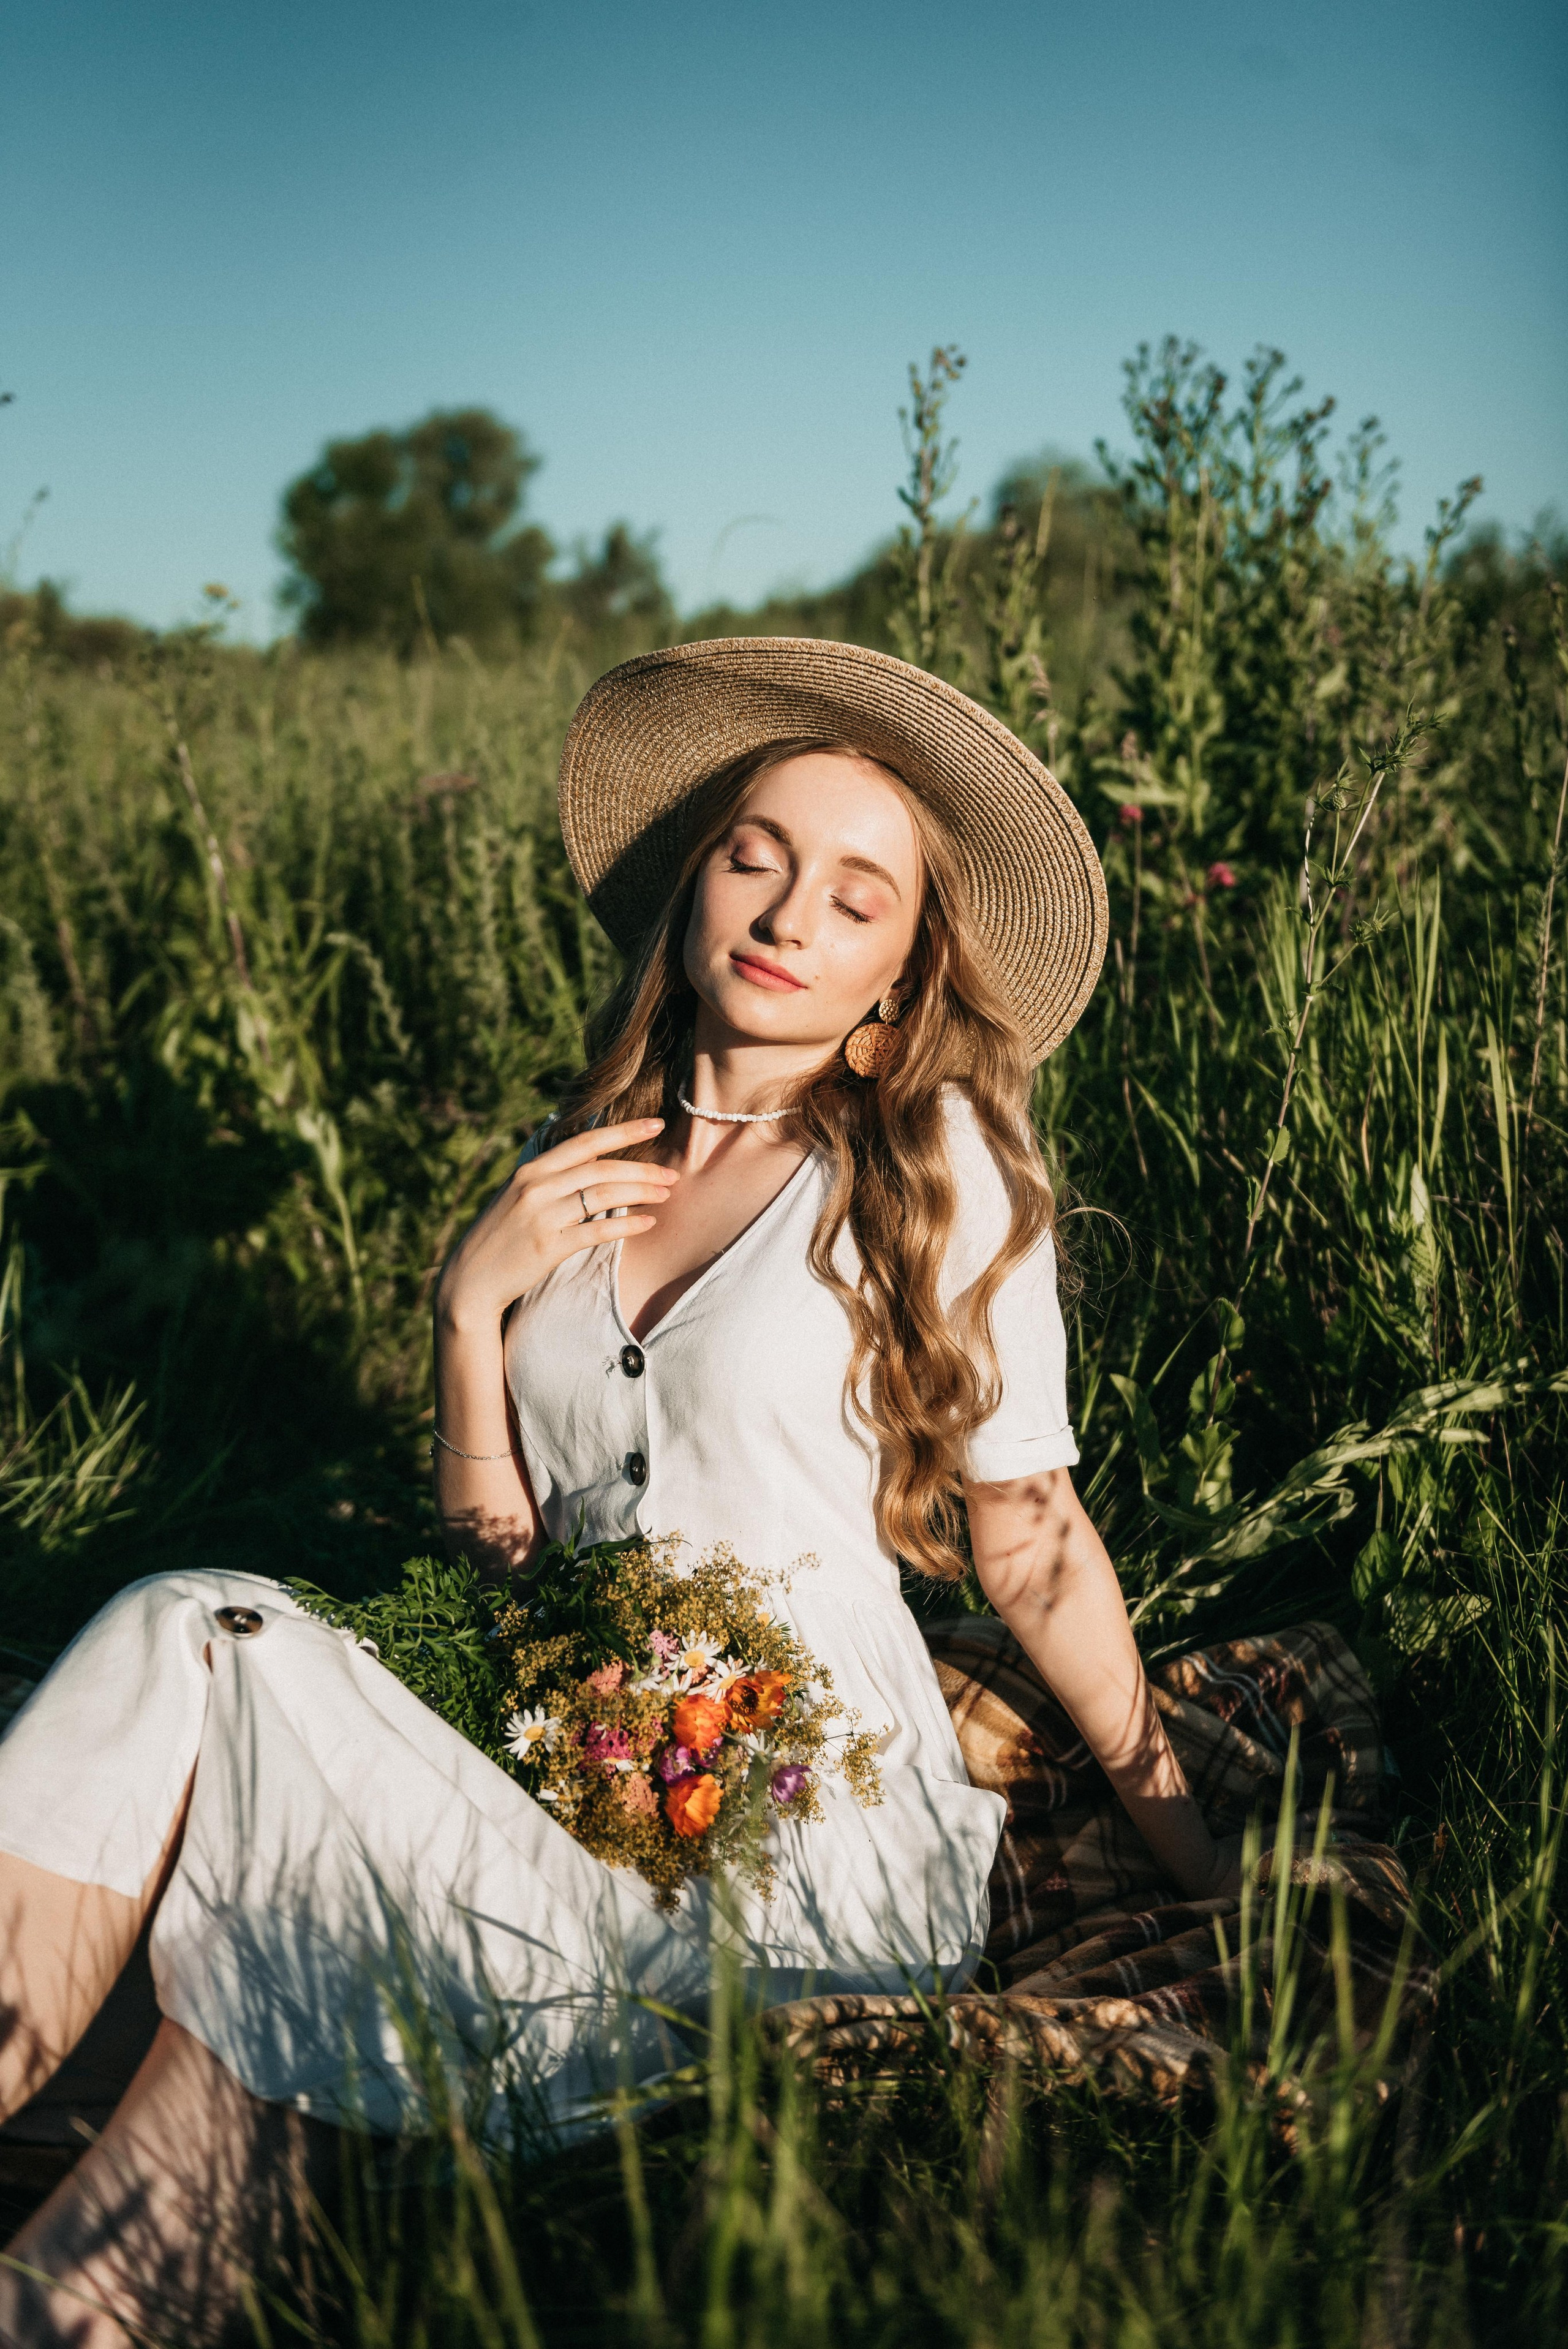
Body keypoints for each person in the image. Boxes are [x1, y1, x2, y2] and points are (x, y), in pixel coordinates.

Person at [0, 637, 1242, 2342]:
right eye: (759, 853)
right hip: (569, 1738)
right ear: (691, 887)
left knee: (233, 1726)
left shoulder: (941, 1157)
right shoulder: (562, 1168)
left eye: (857, 895)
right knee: (185, 1641)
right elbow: (504, 1565)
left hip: (795, 1816)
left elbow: (1029, 1542)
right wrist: (466, 1308)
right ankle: (88, 2300)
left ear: (898, 976)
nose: (791, 909)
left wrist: (1201, 1855)